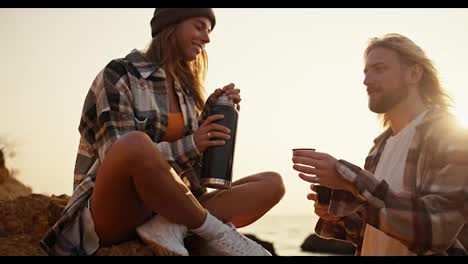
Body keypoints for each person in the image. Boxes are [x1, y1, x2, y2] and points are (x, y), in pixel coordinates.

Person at [41, 8, 285, 256]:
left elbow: (191, 178)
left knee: (272, 184)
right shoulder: (119, 74)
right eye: (199, 27)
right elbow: (117, 154)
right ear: (172, 25)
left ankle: (172, 228)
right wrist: (192, 143)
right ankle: (215, 233)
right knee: (134, 143)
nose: (207, 38)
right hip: (116, 210)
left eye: (209, 31)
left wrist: (209, 120)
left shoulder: (186, 90)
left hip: (168, 210)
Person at [292, 33, 468, 256]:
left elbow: (437, 229)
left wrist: (353, 181)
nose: (367, 80)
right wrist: (339, 213)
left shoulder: (450, 136)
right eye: (366, 72)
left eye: (379, 69)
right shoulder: (380, 147)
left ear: (414, 73)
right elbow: (375, 232)